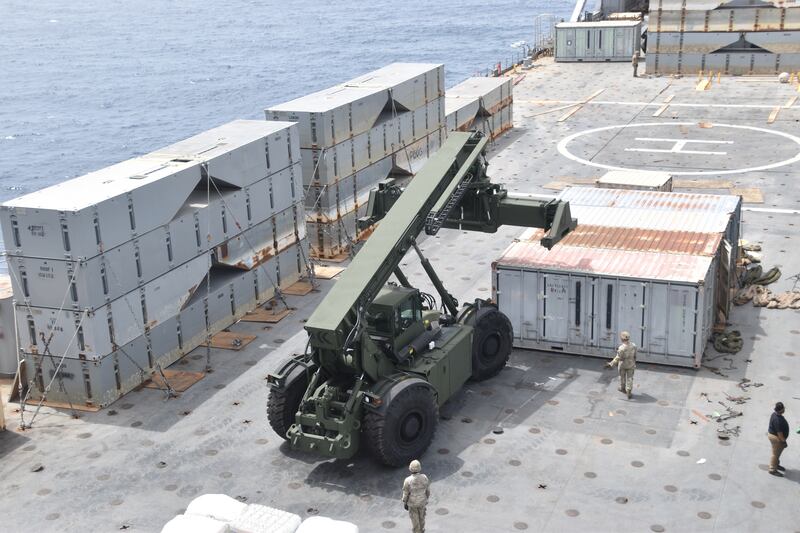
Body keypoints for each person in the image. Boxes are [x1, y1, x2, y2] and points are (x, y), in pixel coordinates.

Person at [606, 331, 637, 399]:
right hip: (631, 364)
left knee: (622, 377)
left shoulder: (621, 348)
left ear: (622, 339)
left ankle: (622, 388)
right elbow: (635, 355)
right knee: (630, 378)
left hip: (623, 364)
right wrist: (634, 362)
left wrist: (611, 364)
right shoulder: (634, 346)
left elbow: (618, 358)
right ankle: (628, 390)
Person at [402, 459, 430, 533]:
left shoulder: (407, 480)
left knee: (415, 520)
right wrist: (426, 499)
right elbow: (428, 491)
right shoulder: (424, 477)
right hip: (422, 502)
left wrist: (405, 502)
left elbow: (406, 493)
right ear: (419, 468)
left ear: (410, 469)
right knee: (422, 518)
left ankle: (417, 531)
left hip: (412, 503)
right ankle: (422, 530)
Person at [768, 402, 789, 476]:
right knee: (775, 454)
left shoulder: (775, 414)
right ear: (781, 410)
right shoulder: (778, 420)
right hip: (776, 438)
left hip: (774, 436)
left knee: (777, 453)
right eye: (783, 408)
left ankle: (776, 464)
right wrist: (784, 442)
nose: (784, 409)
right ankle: (772, 469)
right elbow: (780, 434)